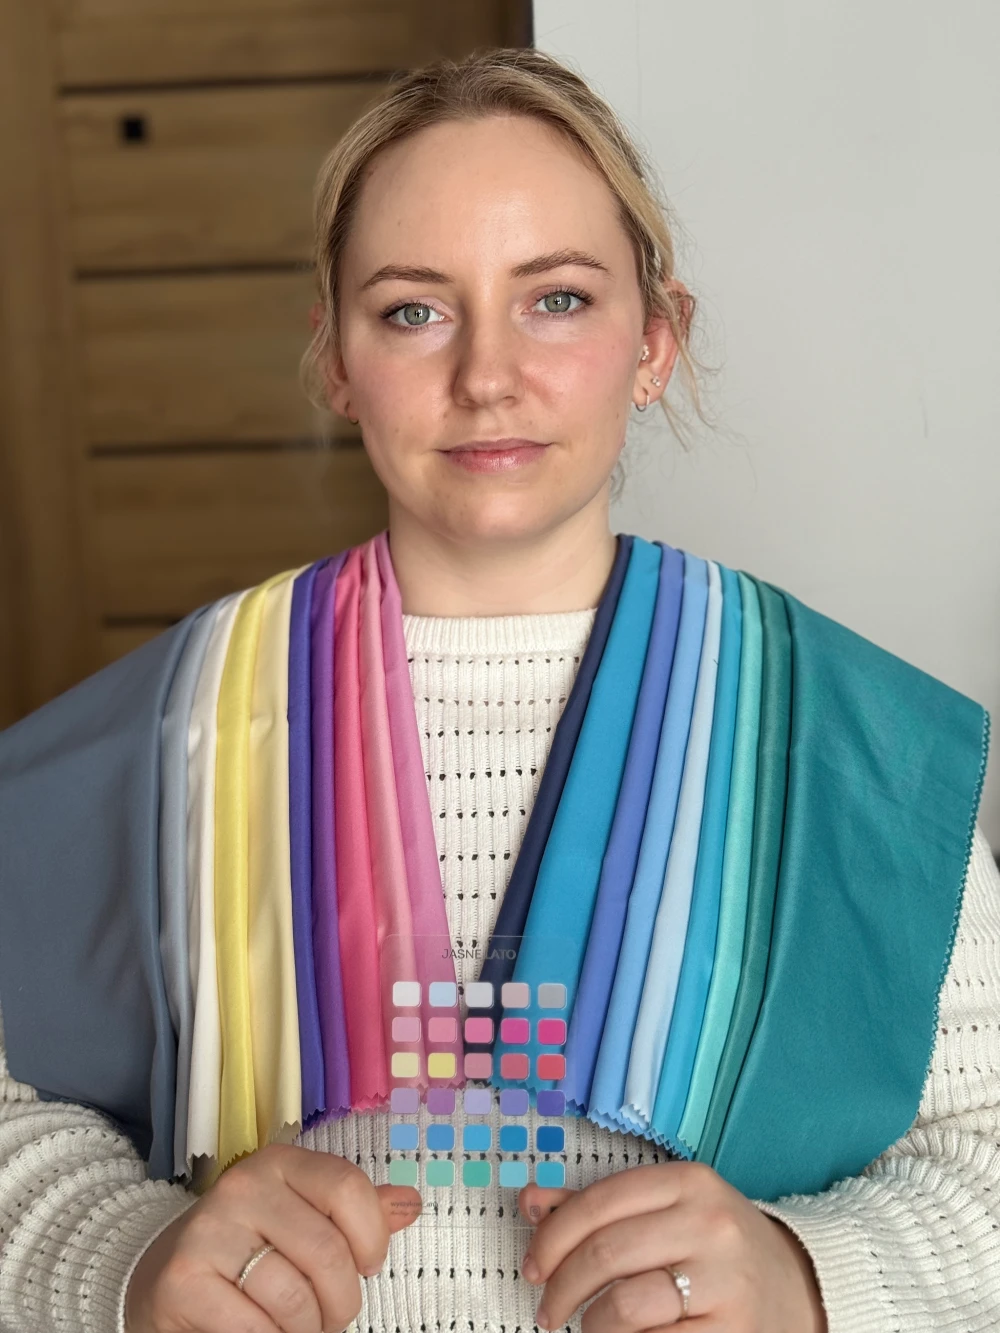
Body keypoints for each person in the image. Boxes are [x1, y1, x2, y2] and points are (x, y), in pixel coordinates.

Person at [0, 46, 998, 1333]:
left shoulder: (844, 740)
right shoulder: (158, 738)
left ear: (657, 342)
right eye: (414, 311)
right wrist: (127, 1261)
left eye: (558, 300)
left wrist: (811, 1277)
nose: (486, 374)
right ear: (335, 357)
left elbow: (984, 1144)